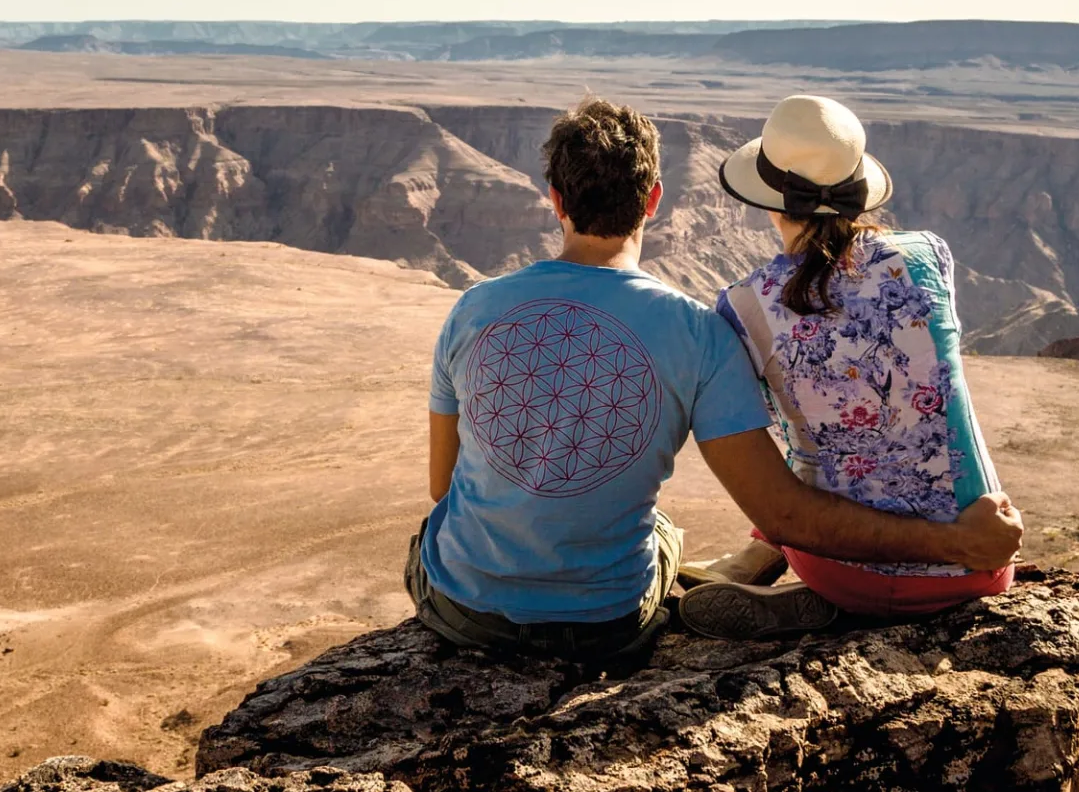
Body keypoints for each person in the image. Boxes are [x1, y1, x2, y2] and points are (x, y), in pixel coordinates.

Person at [406, 97, 1023, 660]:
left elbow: (443, 487)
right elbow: (783, 502)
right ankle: (747, 564)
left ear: (555, 199)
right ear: (653, 200)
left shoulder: (473, 309)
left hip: (467, 614)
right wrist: (962, 541)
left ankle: (762, 569)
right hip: (611, 622)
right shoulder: (707, 329)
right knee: (675, 526)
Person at [688, 94, 1015, 636]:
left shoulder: (744, 307)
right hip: (981, 561)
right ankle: (786, 574)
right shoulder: (928, 255)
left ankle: (811, 587)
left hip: (839, 566)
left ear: (771, 202)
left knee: (812, 441)